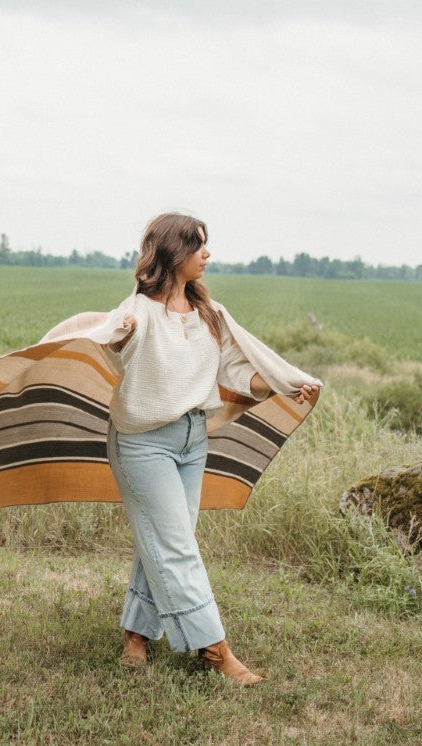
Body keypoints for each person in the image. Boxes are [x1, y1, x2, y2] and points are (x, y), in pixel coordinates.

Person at [104, 212, 317, 687]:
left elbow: (237, 374)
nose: (207, 253)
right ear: (172, 251)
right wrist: (121, 331)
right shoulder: (138, 311)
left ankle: (136, 633)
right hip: (142, 443)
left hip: (191, 440)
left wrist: (282, 384)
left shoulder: (210, 314)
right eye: (197, 245)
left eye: (206, 244)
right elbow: (113, 341)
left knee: (169, 538)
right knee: (176, 546)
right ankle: (215, 650)